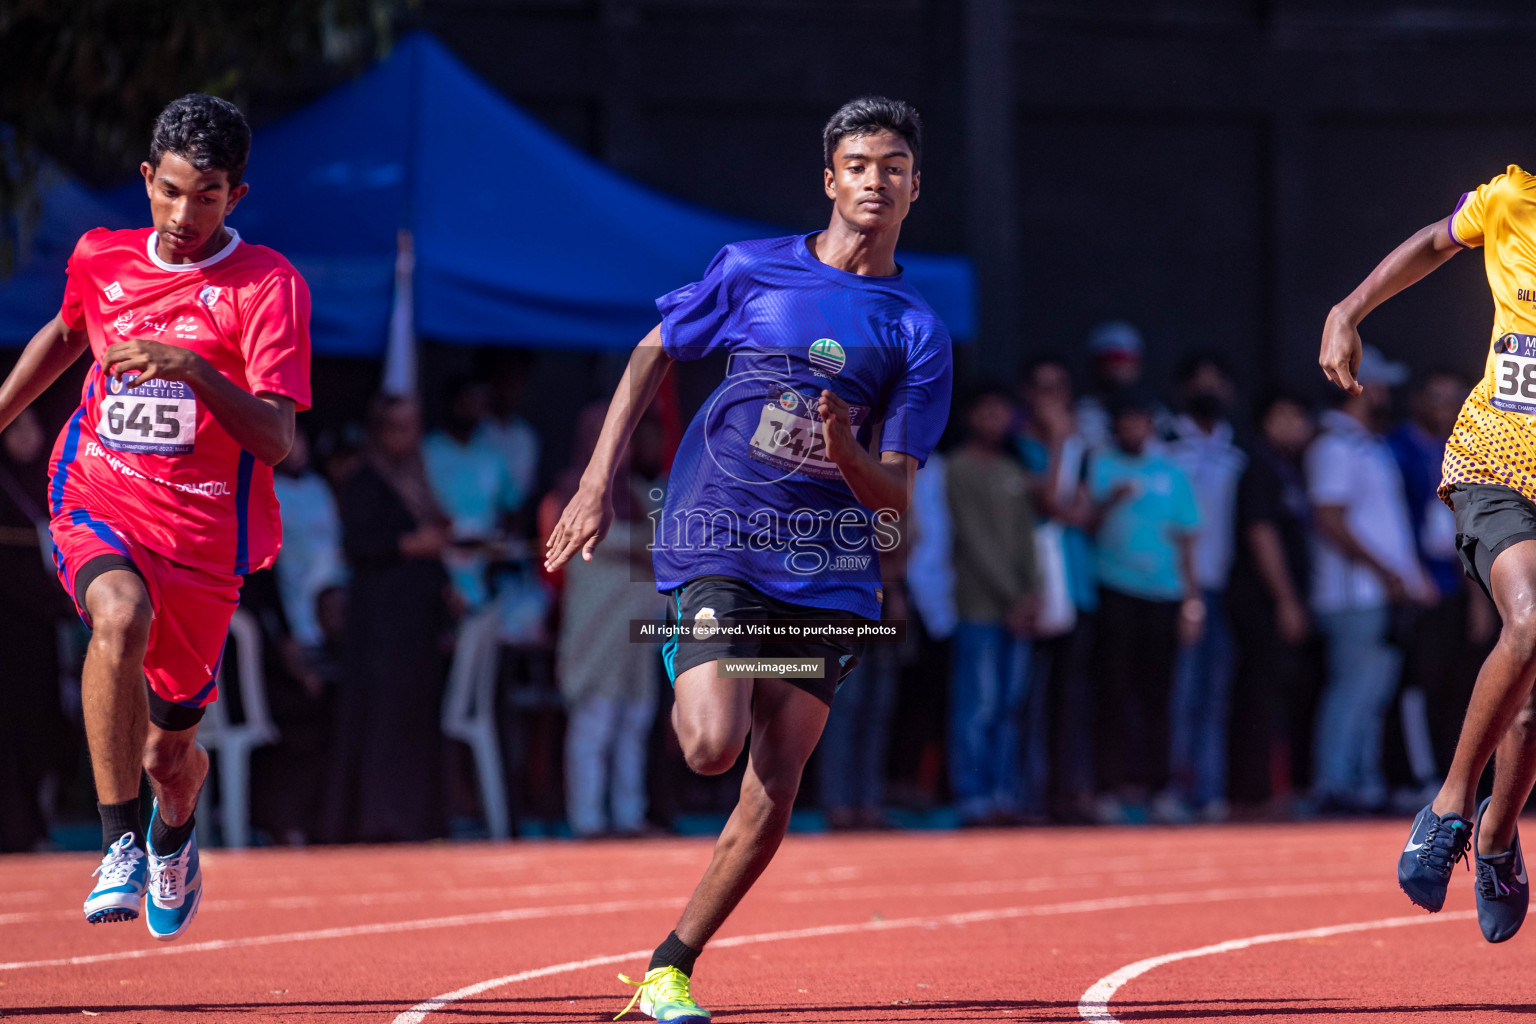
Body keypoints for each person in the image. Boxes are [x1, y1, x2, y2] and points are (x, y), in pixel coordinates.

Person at [544, 96, 950, 1023]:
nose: (875, 181)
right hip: (720, 530)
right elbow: (653, 352)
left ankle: (668, 967)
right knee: (708, 745)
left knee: (775, 781)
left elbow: (895, 497)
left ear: (915, 187)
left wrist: (846, 449)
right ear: (829, 180)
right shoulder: (752, 269)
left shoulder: (917, 331)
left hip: (829, 565)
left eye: (893, 166)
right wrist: (597, 480)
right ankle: (707, 648)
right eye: (858, 164)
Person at [0, 95, 310, 936]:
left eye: (207, 195)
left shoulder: (268, 286)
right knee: (118, 613)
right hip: (96, 494)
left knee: (167, 753)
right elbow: (66, 334)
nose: (184, 214)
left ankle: (174, 824)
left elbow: (278, 437)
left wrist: (194, 369)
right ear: (146, 179)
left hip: (208, 538)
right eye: (171, 190)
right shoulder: (101, 258)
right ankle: (119, 844)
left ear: (235, 196)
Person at [1320, 166, 1536, 941]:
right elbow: (1434, 243)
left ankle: (1499, 835)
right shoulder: (1516, 200)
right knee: (1532, 623)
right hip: (1496, 464)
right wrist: (1349, 309)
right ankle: (1448, 806)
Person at [323, 395, 454, 843]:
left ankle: (414, 820)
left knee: (415, 722)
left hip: (416, 626)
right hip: (379, 626)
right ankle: (378, 820)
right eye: (396, 427)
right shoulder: (363, 479)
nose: (406, 437)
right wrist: (413, 545)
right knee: (380, 722)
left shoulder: (418, 479)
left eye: (412, 426)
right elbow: (361, 545)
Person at [1306, 345, 1429, 814]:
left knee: (1373, 692)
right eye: (1376, 383)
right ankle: (1334, 782)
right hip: (1351, 594)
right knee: (1352, 690)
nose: (1385, 393)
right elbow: (1329, 517)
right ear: (1355, 385)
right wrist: (1385, 572)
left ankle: (1361, 782)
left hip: (1379, 591)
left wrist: (1408, 579)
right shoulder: (1333, 445)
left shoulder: (1368, 444)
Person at [1087, 389, 1202, 823]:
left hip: (1164, 597)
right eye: (1126, 422)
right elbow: (1083, 524)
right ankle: (1108, 791)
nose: (1134, 429)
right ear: (1115, 428)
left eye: (1141, 421)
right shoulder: (1098, 467)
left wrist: (1193, 602)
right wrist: (1108, 500)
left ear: (1151, 427)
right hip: (1114, 592)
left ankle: (1161, 791)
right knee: (1110, 696)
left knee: (1159, 699)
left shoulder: (1171, 474)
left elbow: (1188, 539)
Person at [551, 403, 666, 838]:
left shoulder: (637, 492)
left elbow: (661, 549)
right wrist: (640, 550)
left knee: (634, 720)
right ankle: (588, 821)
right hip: (595, 627)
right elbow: (587, 540)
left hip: (635, 631)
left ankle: (628, 816)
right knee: (593, 720)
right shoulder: (572, 489)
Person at [946, 386, 1038, 825]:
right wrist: (1014, 595)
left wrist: (1033, 592)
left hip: (1017, 612)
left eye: (1003, 412)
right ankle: (973, 794)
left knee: (1009, 707)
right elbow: (974, 540)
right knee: (978, 705)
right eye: (986, 412)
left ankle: (1006, 793)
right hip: (978, 607)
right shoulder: (957, 468)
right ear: (970, 417)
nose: (995, 421)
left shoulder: (1011, 468)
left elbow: (1027, 539)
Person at [1014, 357, 1099, 821]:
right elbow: (1049, 501)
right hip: (1032, 585)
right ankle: (1029, 794)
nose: (1051, 399)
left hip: (1077, 584)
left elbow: (1081, 513)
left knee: (1073, 698)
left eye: (1058, 388)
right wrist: (1062, 442)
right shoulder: (1018, 447)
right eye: (1041, 388)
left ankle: (1069, 792)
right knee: (1026, 698)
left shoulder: (1081, 451)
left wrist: (1068, 450)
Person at [1385, 369, 1476, 803]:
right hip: (1415, 584)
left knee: (1456, 685)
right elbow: (1392, 519)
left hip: (1457, 583)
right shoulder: (1396, 446)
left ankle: (1448, 775)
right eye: (1435, 397)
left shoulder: (1466, 444)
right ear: (1418, 400)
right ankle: (1416, 776)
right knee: (1416, 683)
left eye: (1453, 397)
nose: (1446, 406)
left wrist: (1477, 593)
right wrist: (1411, 572)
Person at [1165, 354, 1247, 821]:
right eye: (1201, 381)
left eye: (1218, 381)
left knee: (1213, 697)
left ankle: (1209, 793)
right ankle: (1177, 789)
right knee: (1182, 695)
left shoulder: (1237, 451)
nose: (1210, 390)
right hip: (1176, 588)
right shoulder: (1167, 445)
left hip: (1224, 587)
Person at [1226, 392, 1315, 811]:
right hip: (1259, 601)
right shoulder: (1260, 468)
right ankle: (1254, 791)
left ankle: (1269, 787)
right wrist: (1286, 601)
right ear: (1273, 418)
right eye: (1295, 417)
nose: (1303, 426)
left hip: (1278, 600)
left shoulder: (1288, 468)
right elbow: (1261, 535)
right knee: (1258, 693)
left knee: (1276, 692)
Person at [423, 375, 521, 610]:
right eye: (464, 401)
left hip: (483, 568)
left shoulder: (493, 456)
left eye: (476, 403)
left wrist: (498, 552)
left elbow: (513, 509)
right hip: (436, 566)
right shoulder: (426, 452)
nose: (470, 409)